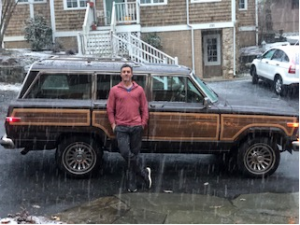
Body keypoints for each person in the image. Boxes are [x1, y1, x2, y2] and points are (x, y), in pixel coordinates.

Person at [107, 63, 151, 192]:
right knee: (126, 153)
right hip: (121, 127)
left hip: (136, 127)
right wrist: (113, 124)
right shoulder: (114, 90)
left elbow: (144, 108)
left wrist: (143, 123)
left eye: (128, 72)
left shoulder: (139, 90)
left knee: (134, 155)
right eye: (124, 71)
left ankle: (132, 185)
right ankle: (143, 174)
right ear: (121, 74)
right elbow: (110, 109)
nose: (126, 74)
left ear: (132, 74)